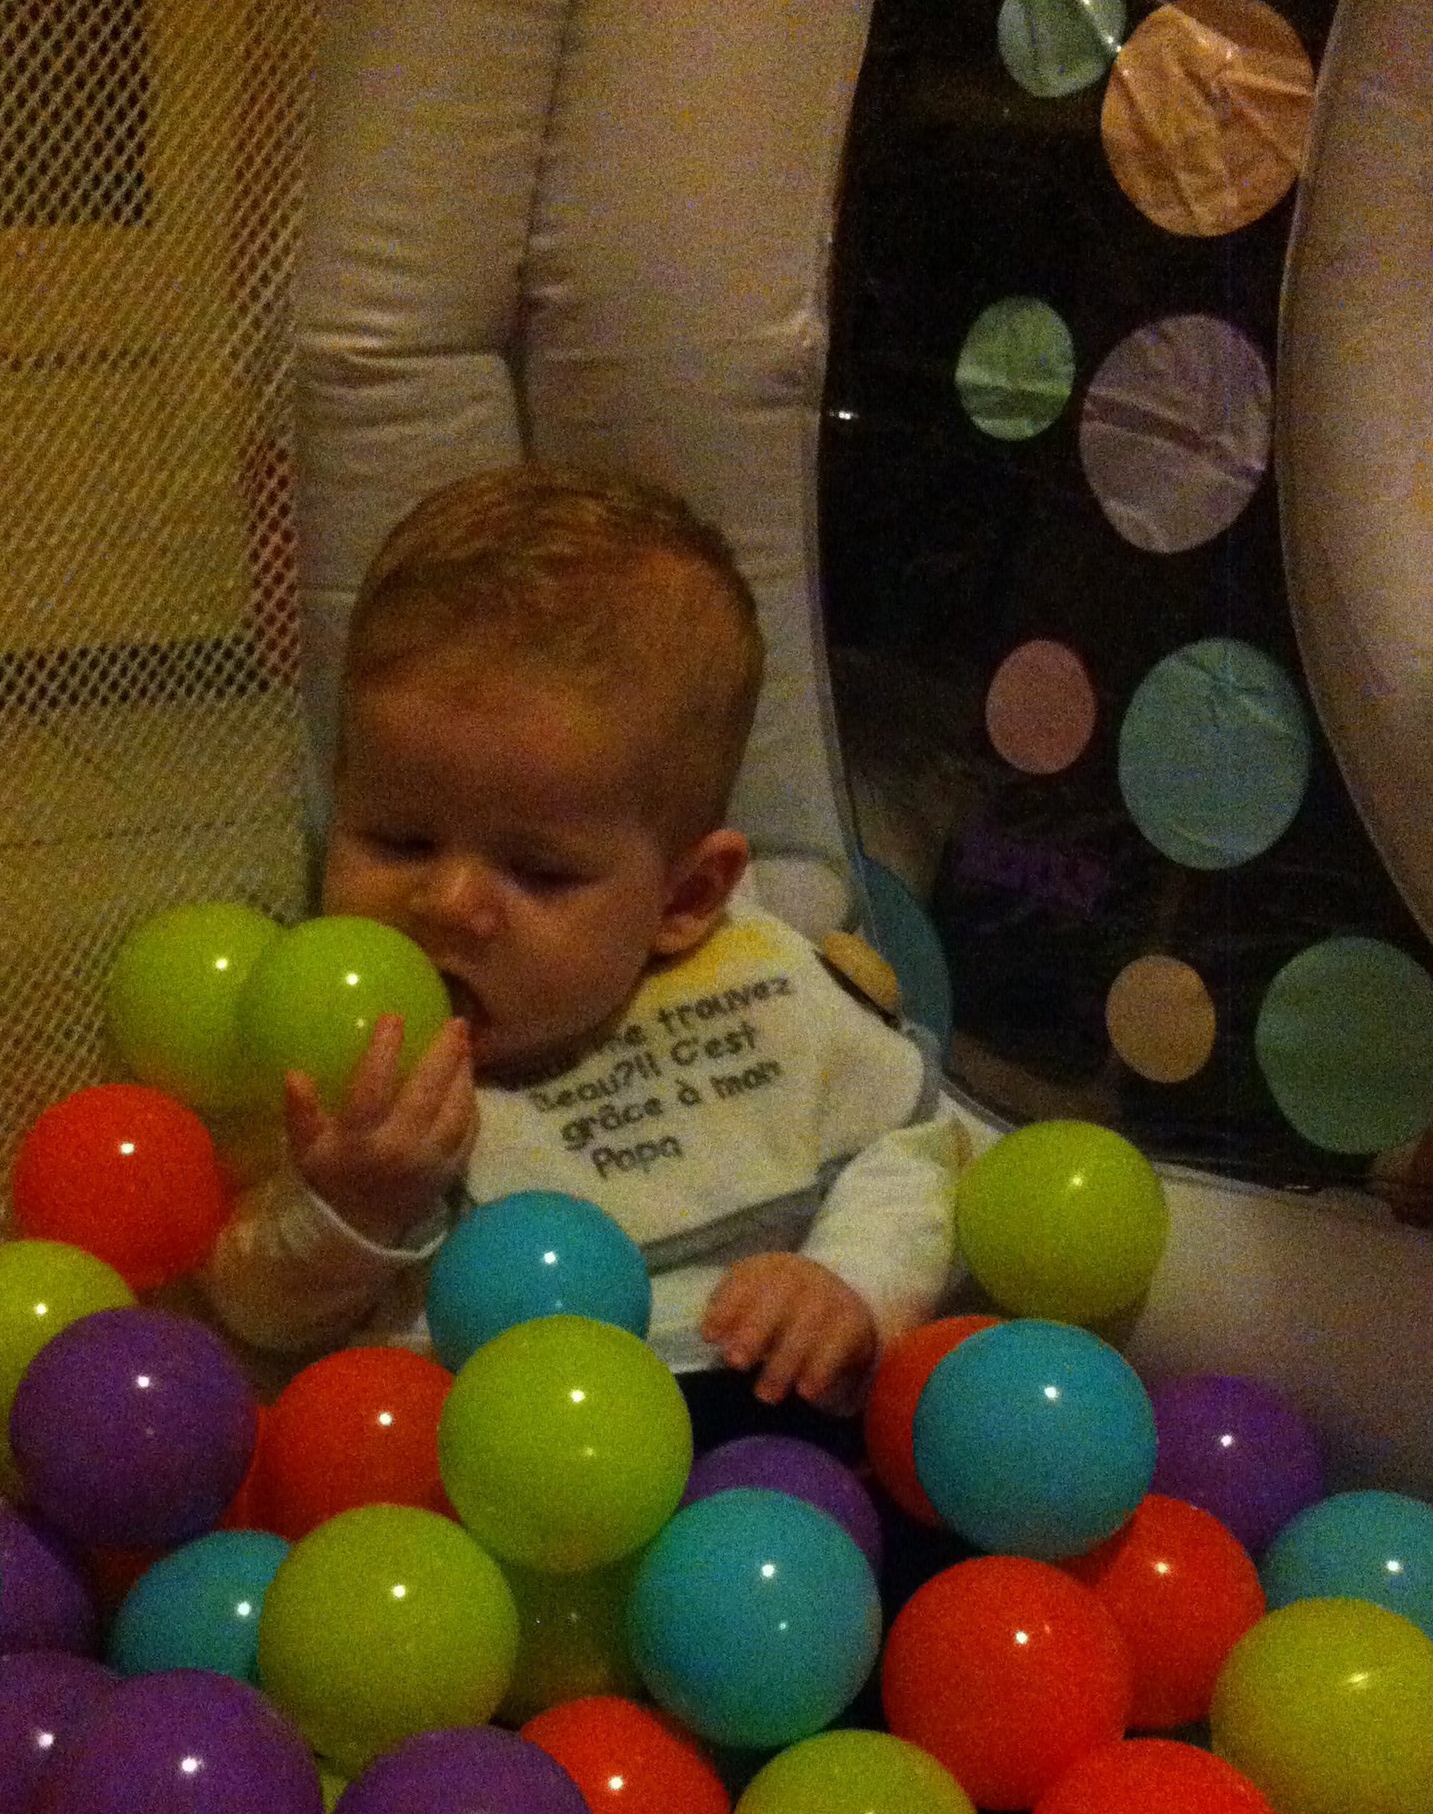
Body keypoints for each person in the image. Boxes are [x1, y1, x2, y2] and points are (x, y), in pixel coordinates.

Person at [203, 464, 963, 1421]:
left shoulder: (759, 990)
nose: (447, 902)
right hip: (472, 1458)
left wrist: (849, 1282)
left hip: (760, 1416)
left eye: (537, 872)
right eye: (399, 841)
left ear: (684, 898)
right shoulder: (336, 1059)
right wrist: (350, 1209)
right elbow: (252, 1309)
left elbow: (912, 1150)